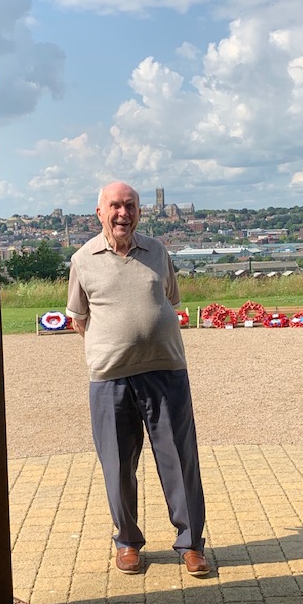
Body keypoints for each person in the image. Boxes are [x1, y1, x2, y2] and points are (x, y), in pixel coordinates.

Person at [66, 181, 209, 576]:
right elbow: (79, 320)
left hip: (166, 371)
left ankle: (191, 544)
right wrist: (115, 346)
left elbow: (169, 300)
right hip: (110, 378)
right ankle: (127, 542)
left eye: (130, 206)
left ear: (140, 212)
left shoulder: (158, 252)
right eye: (115, 206)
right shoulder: (82, 259)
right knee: (117, 465)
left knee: (180, 460)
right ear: (100, 213)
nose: (123, 213)